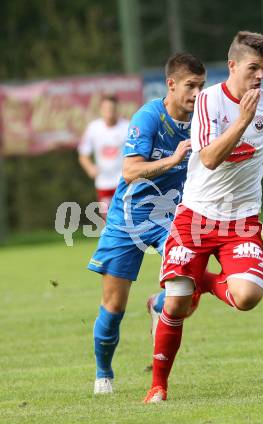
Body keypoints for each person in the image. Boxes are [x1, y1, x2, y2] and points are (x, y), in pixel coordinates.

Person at [144, 31, 263, 403]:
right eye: (253, 68)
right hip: (196, 218)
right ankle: (158, 386)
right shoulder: (208, 101)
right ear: (233, 65)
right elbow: (208, 158)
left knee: (249, 296)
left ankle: (200, 281)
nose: (259, 77)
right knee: (175, 301)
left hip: (241, 223)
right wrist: (243, 119)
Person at [88, 53, 206, 394]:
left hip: (172, 218)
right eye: (190, 86)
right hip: (128, 218)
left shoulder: (203, 118)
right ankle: (103, 373)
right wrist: (173, 159)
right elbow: (129, 171)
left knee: (189, 286)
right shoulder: (149, 116)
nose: (197, 93)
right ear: (171, 85)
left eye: (201, 86)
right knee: (113, 307)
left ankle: (159, 304)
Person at [78, 95, 129, 219]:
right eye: (106, 109)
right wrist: (90, 168)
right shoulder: (93, 128)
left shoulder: (127, 126)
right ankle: (112, 238)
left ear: (117, 109)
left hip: (123, 180)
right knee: (107, 217)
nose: (109, 112)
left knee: (125, 217)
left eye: (112, 109)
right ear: (101, 110)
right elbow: (83, 155)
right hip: (103, 181)